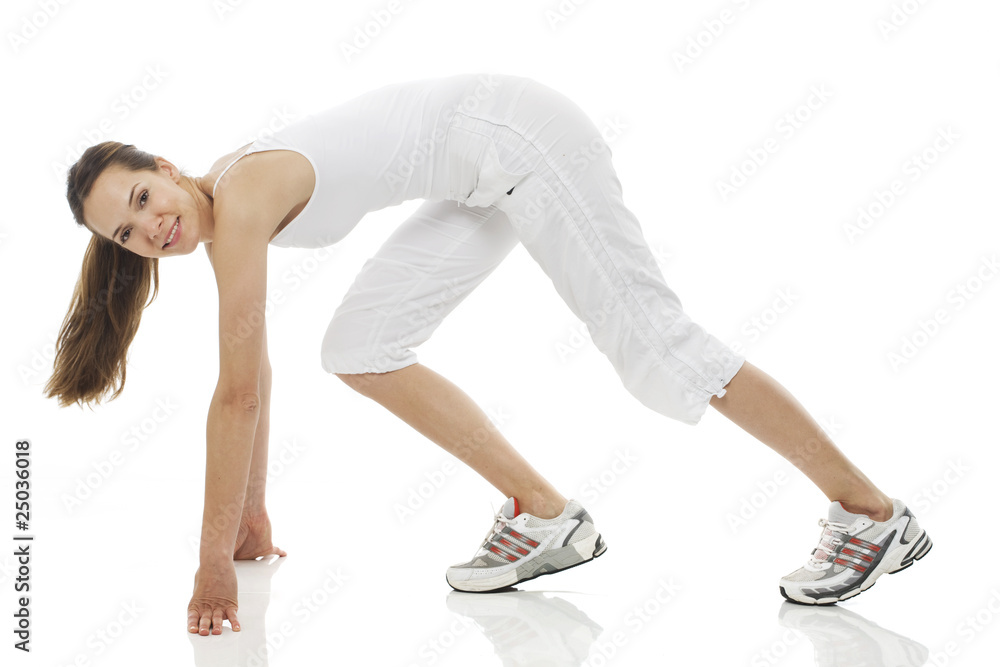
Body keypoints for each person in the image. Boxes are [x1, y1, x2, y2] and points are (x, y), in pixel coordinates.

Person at [46, 72, 931, 636]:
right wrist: (251, 512)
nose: (152, 228)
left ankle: (871, 513)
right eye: (128, 234)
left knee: (656, 349)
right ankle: (545, 513)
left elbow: (236, 394)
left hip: (519, 139)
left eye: (142, 196)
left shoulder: (235, 205)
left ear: (163, 165)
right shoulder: (225, 205)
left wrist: (210, 566)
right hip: (480, 167)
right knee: (360, 344)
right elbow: (254, 375)